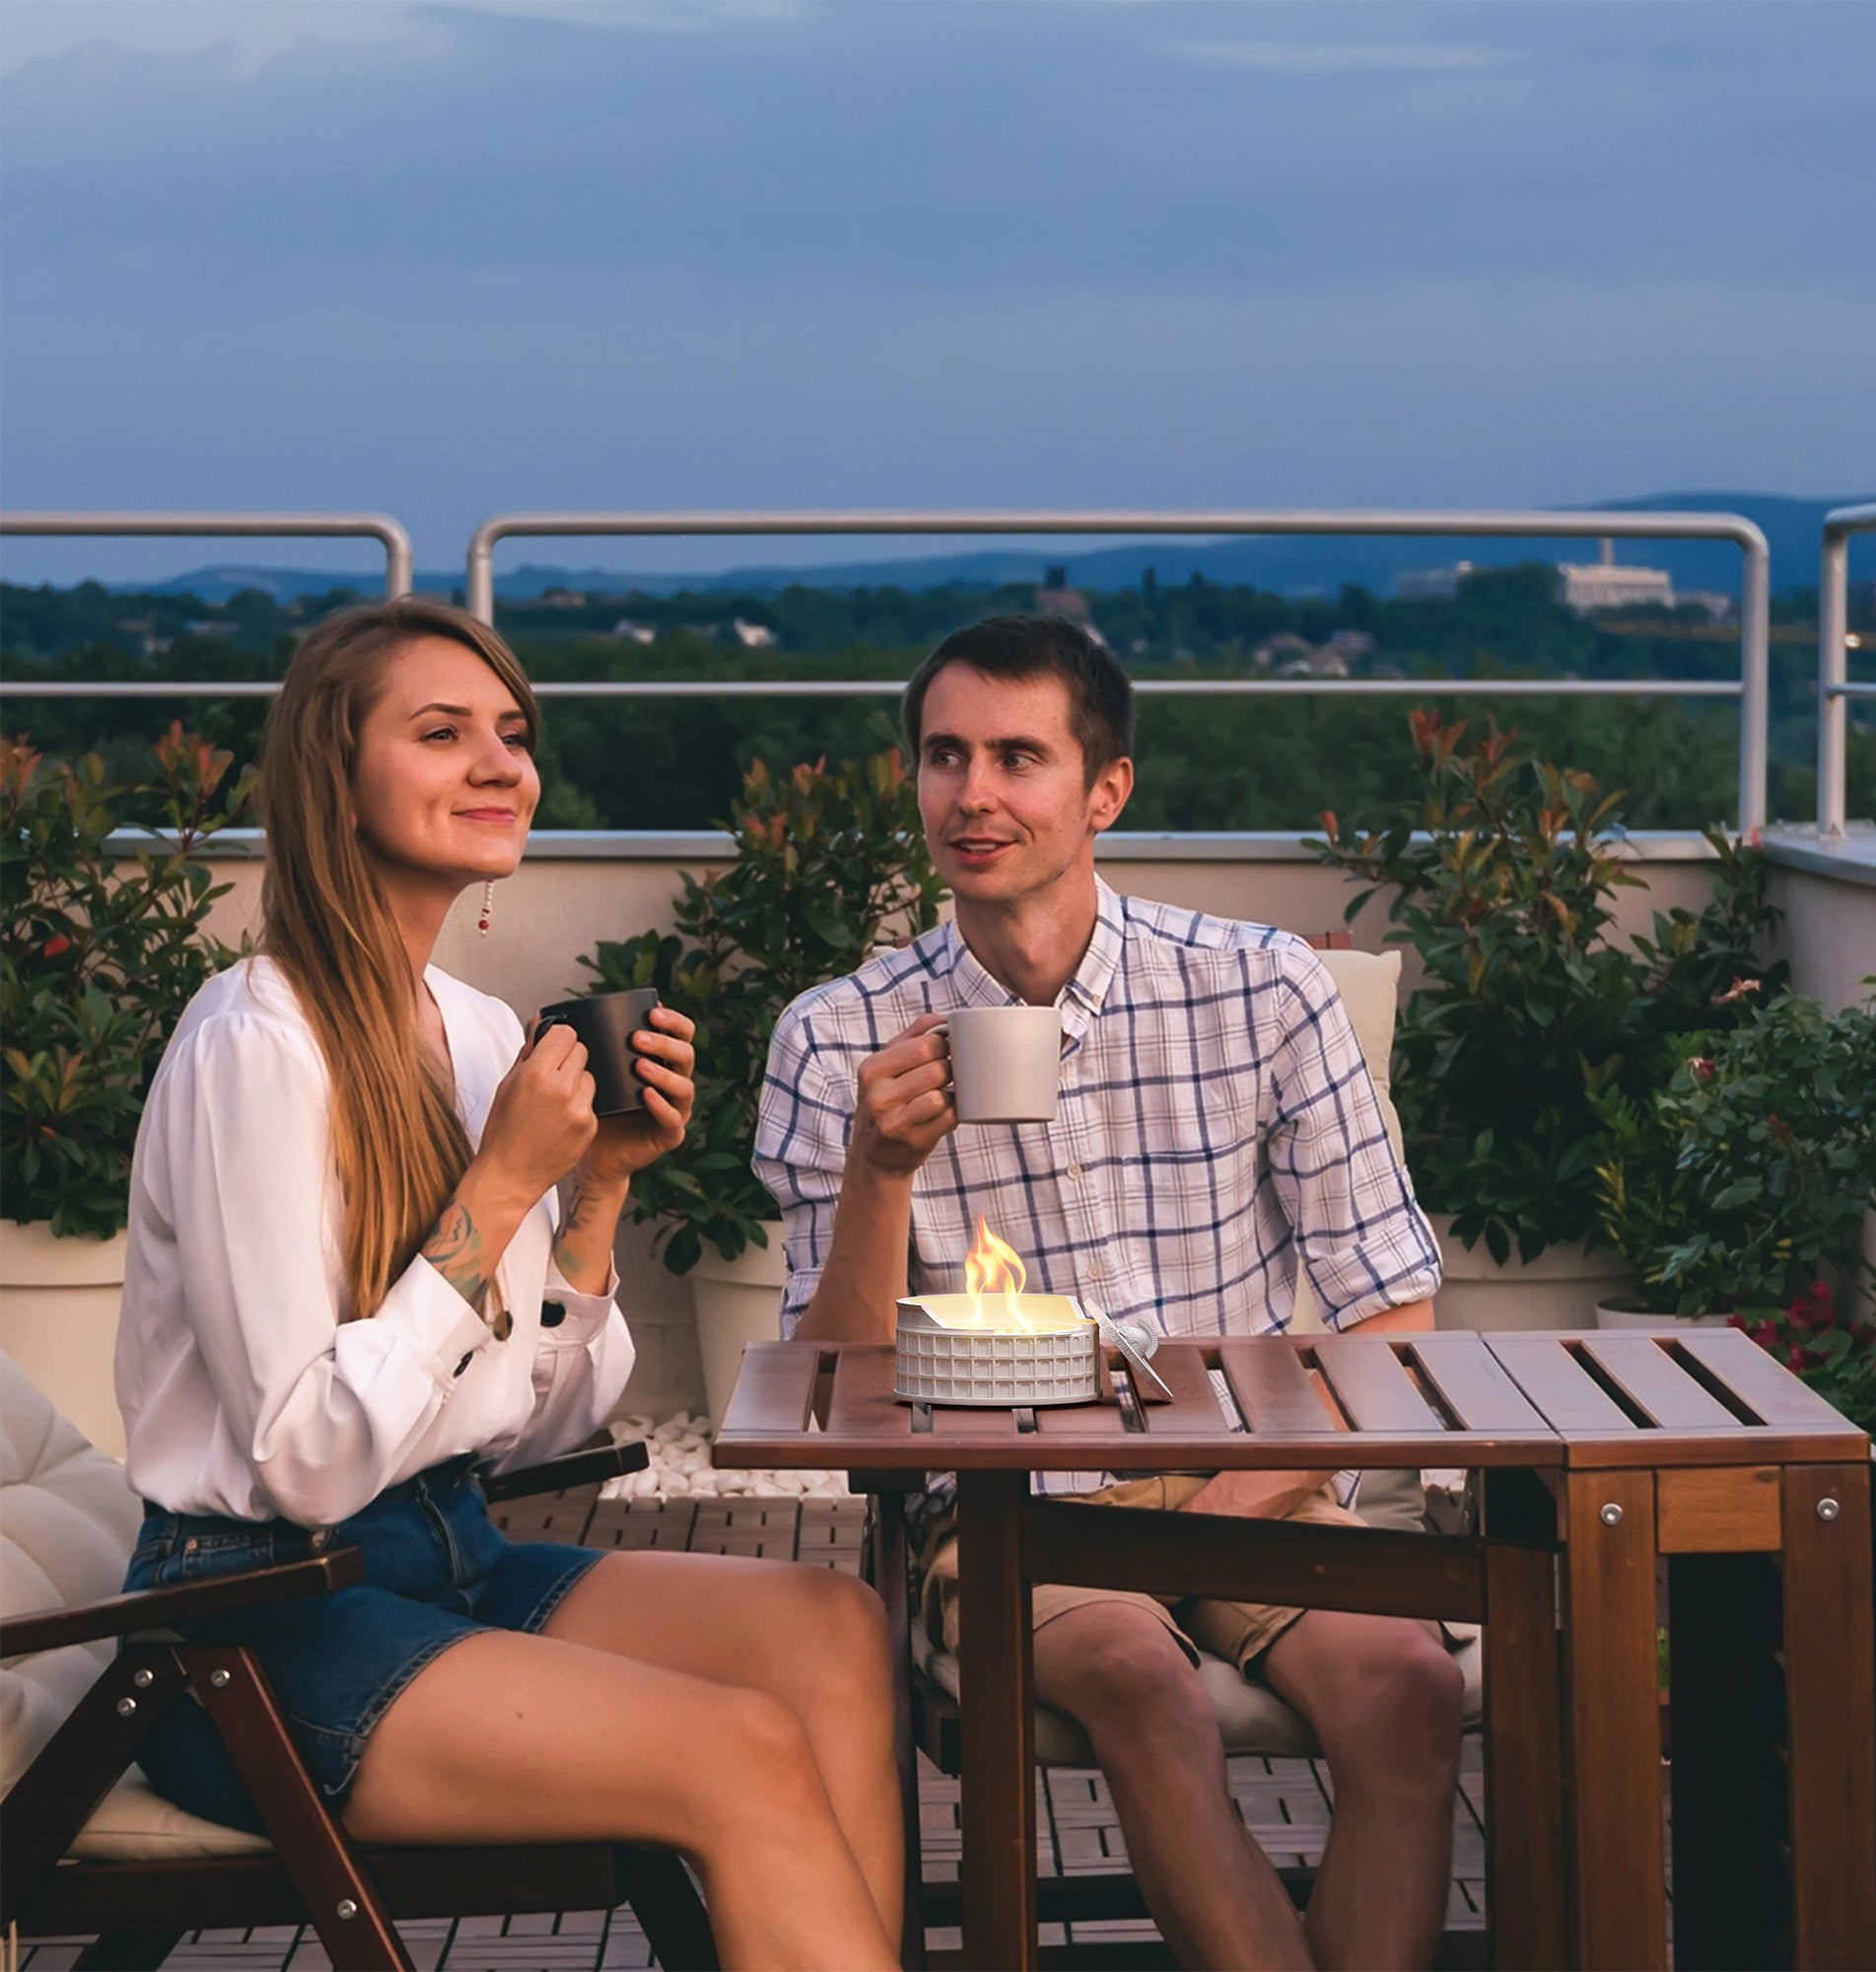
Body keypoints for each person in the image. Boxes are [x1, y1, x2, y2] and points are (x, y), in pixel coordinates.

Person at [116, 598, 901, 1971]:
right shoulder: (255, 1043)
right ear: (334, 778)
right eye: (442, 734)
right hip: (251, 1623)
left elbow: (539, 1432)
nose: (502, 766)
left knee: (831, 1626)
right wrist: (494, 1190)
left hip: (446, 1554)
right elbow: (304, 1461)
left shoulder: (479, 1032)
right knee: (737, 1752)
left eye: (515, 735)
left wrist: (595, 1188)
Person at [756, 614, 1463, 1971]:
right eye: (944, 756)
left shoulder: (1260, 987)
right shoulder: (837, 1035)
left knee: (1411, 1691)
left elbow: (1387, 1313)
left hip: (1260, 1475)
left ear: (1105, 791)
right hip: (1014, 1515)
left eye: (1019, 757)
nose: (974, 794)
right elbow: (828, 1400)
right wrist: (879, 1169)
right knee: (1145, 1688)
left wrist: (1229, 1497)